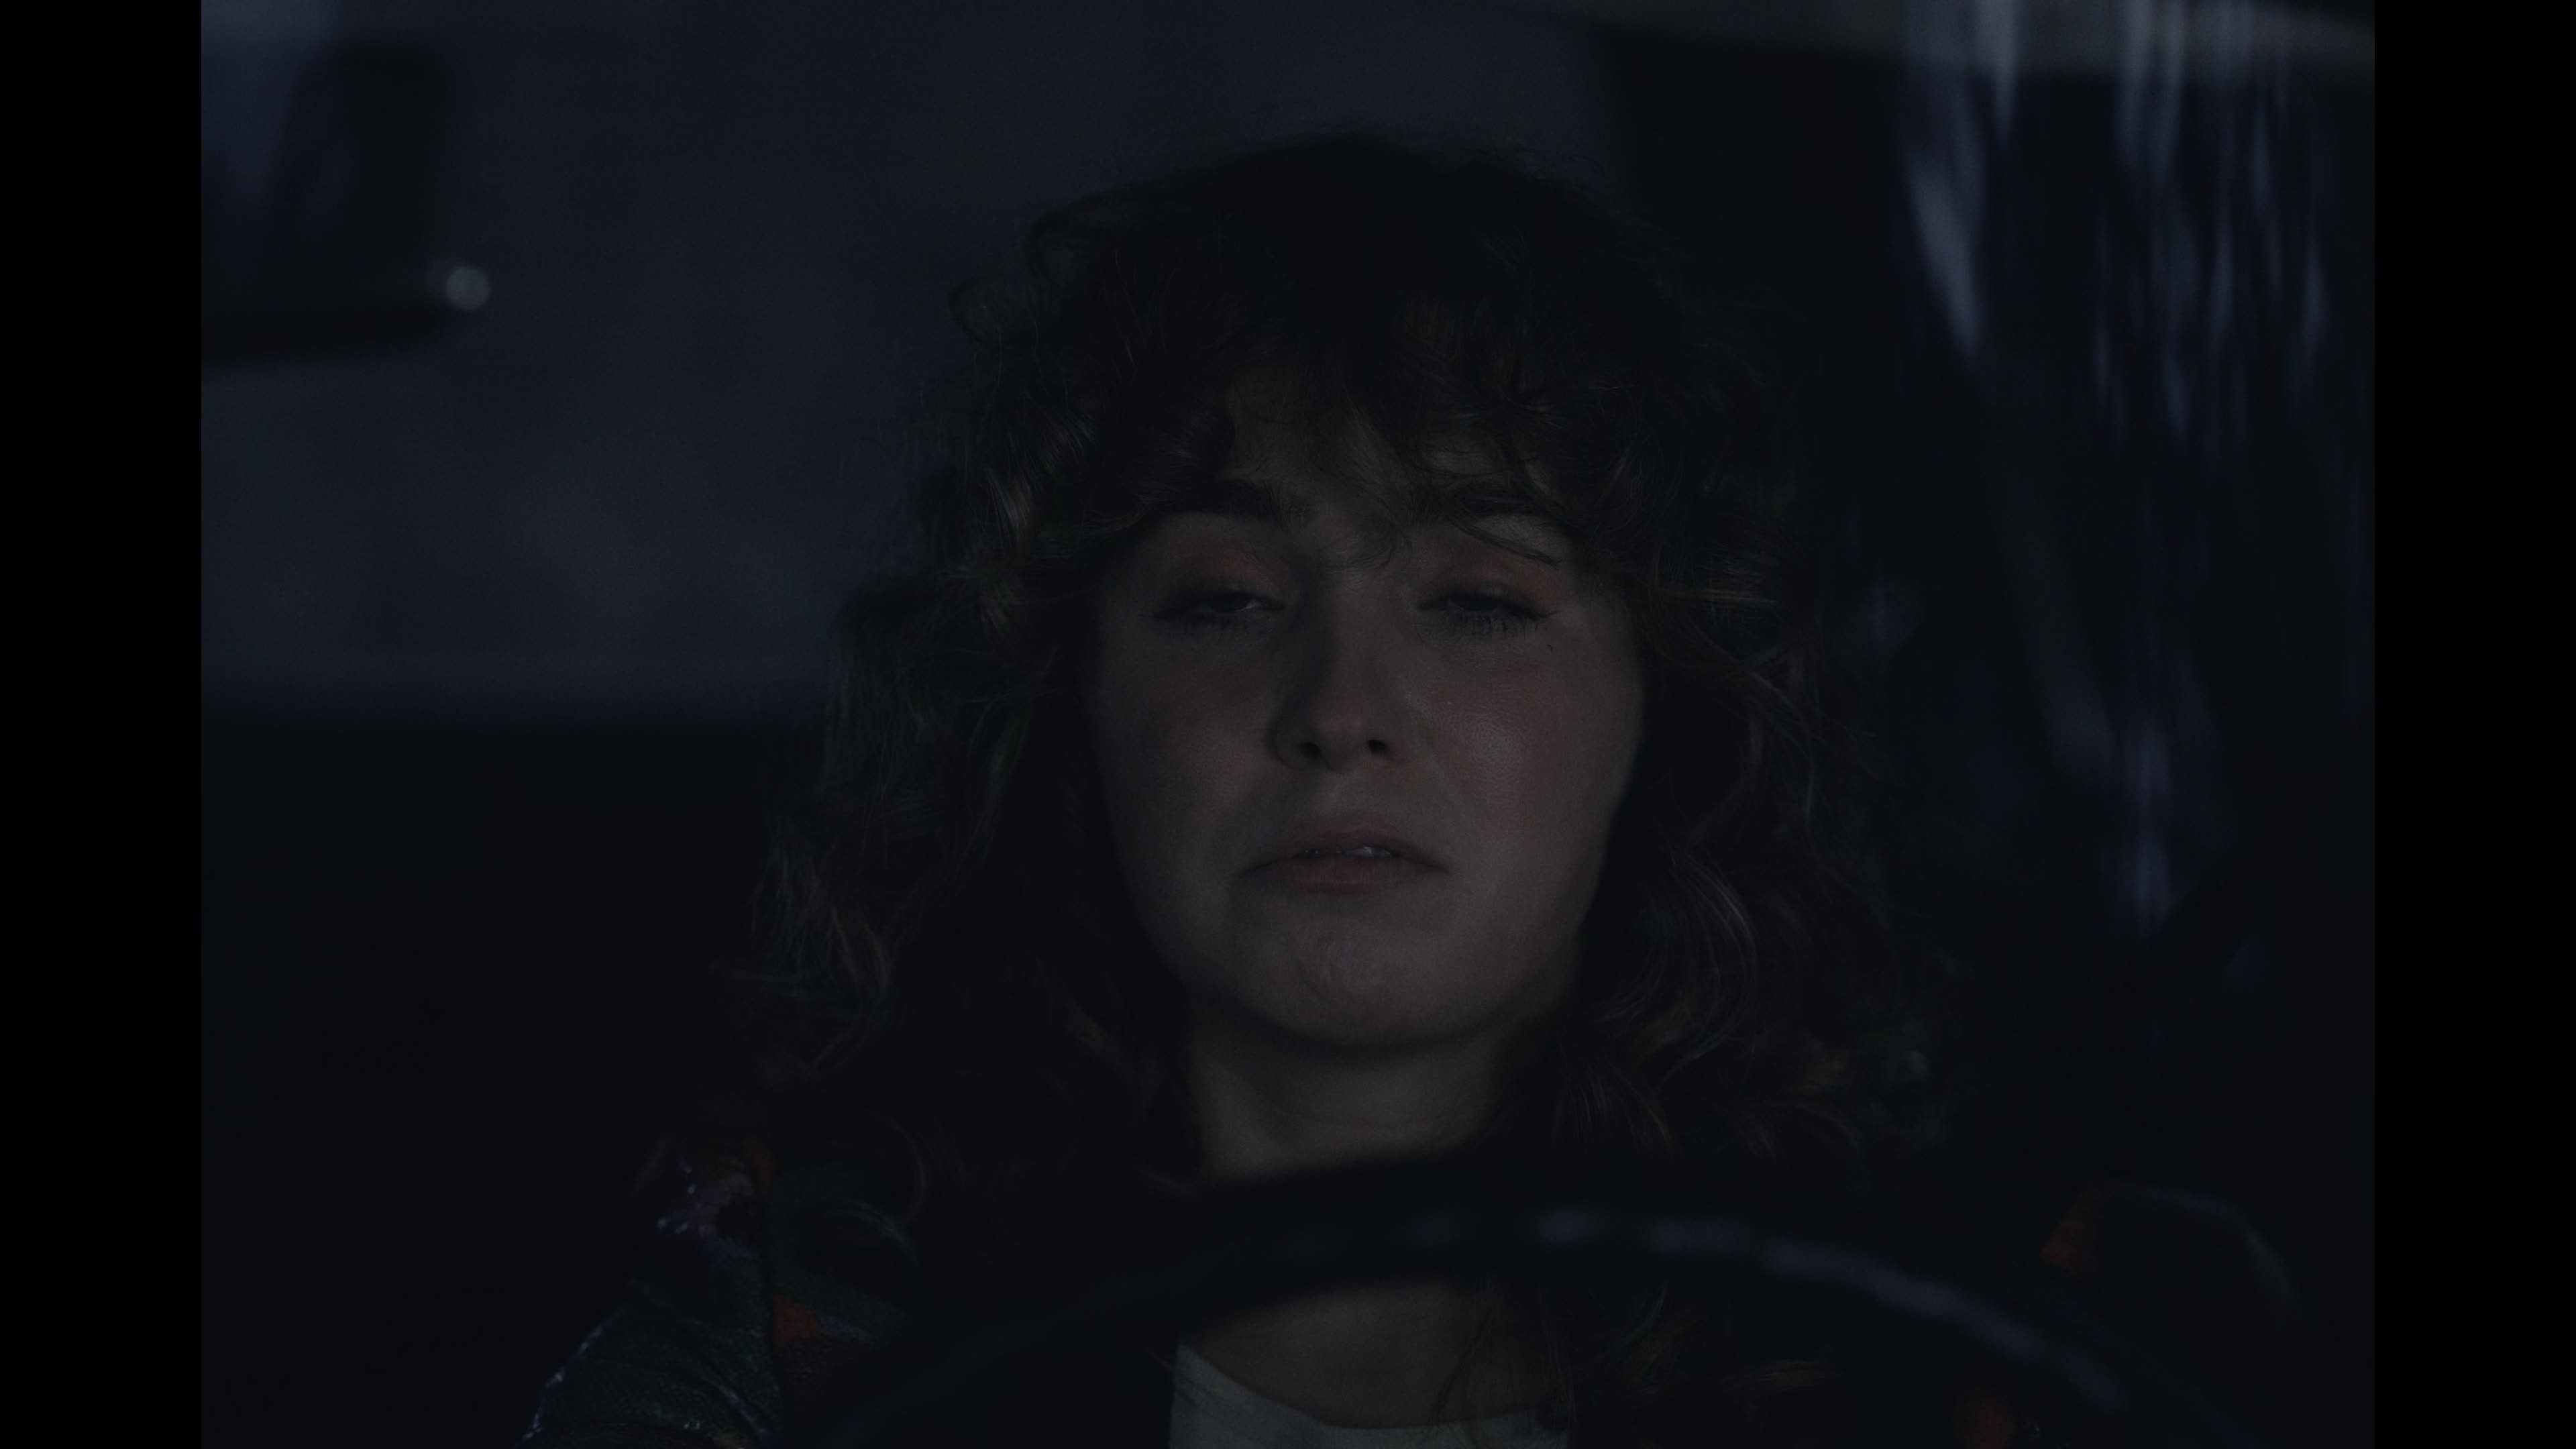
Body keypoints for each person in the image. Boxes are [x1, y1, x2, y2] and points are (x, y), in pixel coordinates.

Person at [521, 134, 2315, 1449]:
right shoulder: (796, 1345)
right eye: (1225, 600)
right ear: (1068, 702)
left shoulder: (2019, 1337)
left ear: (1666, 705)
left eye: (1478, 602)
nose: (1339, 714)